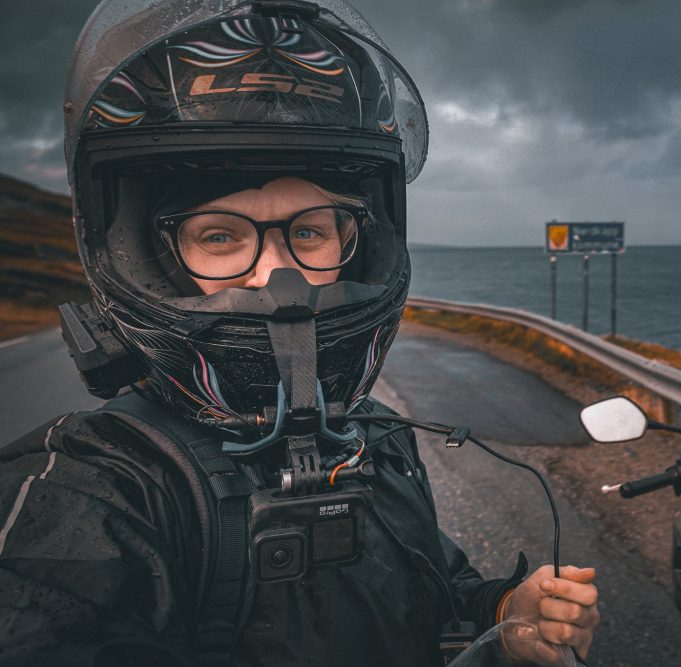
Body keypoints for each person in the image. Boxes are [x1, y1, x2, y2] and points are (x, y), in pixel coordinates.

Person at [0, 1, 599, 665]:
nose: (278, 274)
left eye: (311, 230)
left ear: (358, 246)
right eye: (221, 235)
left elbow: (426, 591)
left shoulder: (375, 435)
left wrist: (499, 611)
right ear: (154, 256)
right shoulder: (89, 490)